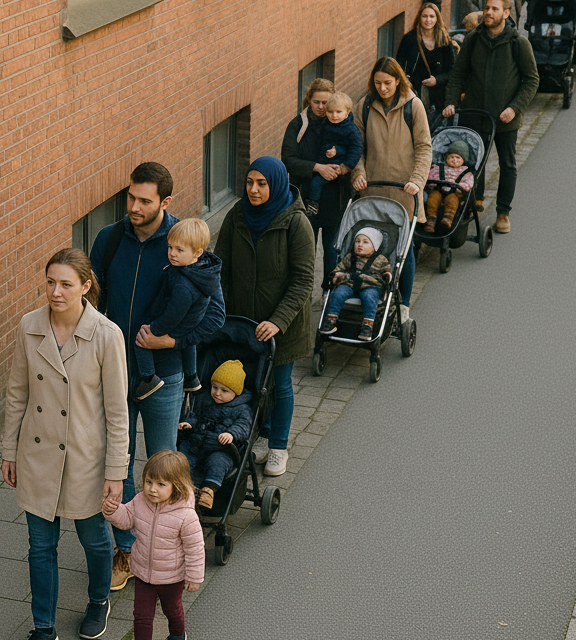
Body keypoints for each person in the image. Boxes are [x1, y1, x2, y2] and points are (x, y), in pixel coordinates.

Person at [90, 163, 224, 592]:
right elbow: (92, 302)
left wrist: (171, 343)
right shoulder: (109, 240)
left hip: (163, 377)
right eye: (130, 197)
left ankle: (176, 546)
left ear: (165, 202)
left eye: (144, 200)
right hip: (115, 374)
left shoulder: (184, 243)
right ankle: (128, 549)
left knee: (165, 462)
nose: (134, 206)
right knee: (119, 463)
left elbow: (216, 317)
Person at [2, 248, 130, 640]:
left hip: (85, 458)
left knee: (94, 540)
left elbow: (117, 412)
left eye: (66, 284)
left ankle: (97, 601)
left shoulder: (107, 335)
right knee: (40, 547)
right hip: (37, 455)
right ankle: (43, 628)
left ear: (86, 287)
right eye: (50, 282)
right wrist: (9, 450)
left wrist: (116, 471)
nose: (56, 292)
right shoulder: (29, 326)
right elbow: (17, 392)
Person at [217, 157, 314, 478]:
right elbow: (222, 268)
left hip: (281, 325)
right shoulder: (236, 216)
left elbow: (303, 280)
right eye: (249, 182)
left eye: (262, 183)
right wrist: (222, 312)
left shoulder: (296, 223)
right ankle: (261, 435)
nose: (254, 190)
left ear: (276, 183)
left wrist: (278, 321)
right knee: (254, 384)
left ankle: (278, 446)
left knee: (280, 384)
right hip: (243, 324)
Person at [102, 450, 204, 640]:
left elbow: (195, 549)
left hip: (171, 577)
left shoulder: (186, 516)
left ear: (176, 486)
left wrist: (194, 576)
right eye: (148, 481)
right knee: (141, 615)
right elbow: (127, 518)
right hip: (143, 572)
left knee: (172, 610)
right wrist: (113, 511)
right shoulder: (140, 501)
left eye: (160, 484)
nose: (152, 489)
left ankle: (178, 636)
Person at [443, 0, 539, 235]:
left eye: (495, 9)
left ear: (506, 13)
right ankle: (475, 202)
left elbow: (531, 80)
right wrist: (451, 102)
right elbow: (458, 74)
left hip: (505, 118)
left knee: (507, 164)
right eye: (487, 8)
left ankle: (503, 212)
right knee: (473, 161)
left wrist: (514, 108)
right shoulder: (473, 39)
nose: (488, 12)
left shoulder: (518, 42)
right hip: (474, 114)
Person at [351, 57, 432, 321]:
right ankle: (373, 299)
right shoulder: (364, 106)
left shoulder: (414, 106)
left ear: (398, 80)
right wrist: (359, 172)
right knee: (372, 247)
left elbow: (424, 148)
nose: (382, 88)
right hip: (372, 191)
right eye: (377, 83)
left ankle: (404, 304)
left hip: (404, 191)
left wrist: (417, 181)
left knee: (403, 250)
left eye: (387, 83)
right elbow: (357, 148)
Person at [132, 217, 221, 400]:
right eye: (170, 247)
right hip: (191, 322)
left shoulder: (183, 286)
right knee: (189, 344)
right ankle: (191, 377)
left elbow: (174, 314)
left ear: (197, 253)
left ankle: (148, 378)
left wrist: (155, 330)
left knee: (141, 339)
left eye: (179, 250)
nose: (172, 253)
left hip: (177, 325)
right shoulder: (202, 270)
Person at [281, 78, 348, 288]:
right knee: (305, 250)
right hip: (306, 198)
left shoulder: (342, 123)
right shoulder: (298, 125)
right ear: (308, 100)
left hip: (334, 198)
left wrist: (342, 168)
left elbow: (355, 151)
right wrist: (318, 167)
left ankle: (329, 293)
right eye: (316, 102)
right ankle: (303, 292)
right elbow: (288, 160)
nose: (321, 107)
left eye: (325, 103)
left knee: (331, 249)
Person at [177, 360, 253, 508]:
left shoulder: (242, 408)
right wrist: (189, 423)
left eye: (224, 390)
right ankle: (182, 488)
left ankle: (208, 490)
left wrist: (231, 433)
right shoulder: (204, 399)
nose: (217, 393)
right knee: (182, 459)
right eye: (214, 387)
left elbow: (244, 425)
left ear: (235, 392)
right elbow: (195, 415)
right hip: (197, 444)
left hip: (221, 448)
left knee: (217, 462)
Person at [320, 228, 392, 341]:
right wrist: (335, 274)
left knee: (369, 297)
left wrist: (387, 275)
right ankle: (330, 321)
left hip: (371, 286)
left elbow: (387, 270)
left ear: (375, 246)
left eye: (365, 242)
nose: (360, 244)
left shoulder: (380, 259)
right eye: (357, 241)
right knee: (338, 293)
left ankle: (367, 326)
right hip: (350, 283)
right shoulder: (350, 257)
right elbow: (341, 267)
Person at [396, 2, 458, 130]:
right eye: (424, 16)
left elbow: (452, 71)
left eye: (431, 16)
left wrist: (437, 80)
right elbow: (399, 65)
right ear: (419, 17)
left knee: (435, 129)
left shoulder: (444, 40)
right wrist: (407, 81)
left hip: (439, 95)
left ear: (437, 19)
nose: (428, 20)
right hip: (416, 93)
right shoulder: (409, 39)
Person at [304, 91, 362, 217]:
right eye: (330, 112)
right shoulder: (326, 124)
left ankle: (313, 204)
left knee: (316, 183)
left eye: (338, 112)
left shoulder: (351, 130)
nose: (334, 115)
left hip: (338, 166)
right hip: (324, 162)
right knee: (315, 183)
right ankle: (313, 203)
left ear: (347, 113)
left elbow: (356, 148)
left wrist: (345, 166)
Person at [423, 141, 475, 233]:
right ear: (446, 158)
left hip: (454, 193)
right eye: (451, 157)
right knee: (432, 199)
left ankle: (448, 219)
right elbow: (430, 177)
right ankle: (431, 220)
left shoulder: (466, 172)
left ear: (463, 160)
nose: (454, 160)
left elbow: (469, 183)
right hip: (437, 190)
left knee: (453, 201)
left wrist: (461, 187)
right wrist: (431, 184)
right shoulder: (438, 168)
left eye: (458, 158)